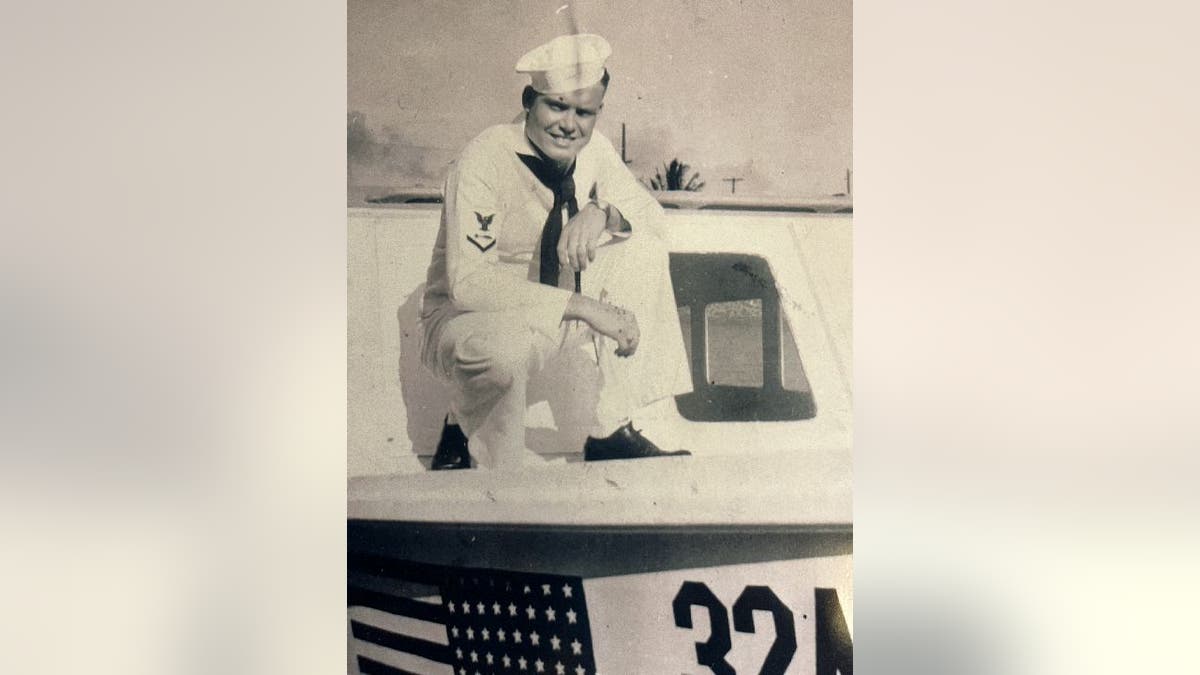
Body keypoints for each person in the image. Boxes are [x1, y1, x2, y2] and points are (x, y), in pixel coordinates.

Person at [419, 34, 693, 470]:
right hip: (466, 320)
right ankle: (466, 436)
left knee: (642, 248)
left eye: (584, 112)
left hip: (550, 311)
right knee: (502, 350)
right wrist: (583, 306)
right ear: (530, 100)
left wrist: (604, 212)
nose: (570, 124)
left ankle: (609, 432)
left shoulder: (594, 151)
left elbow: (653, 217)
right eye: (556, 106)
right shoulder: (484, 158)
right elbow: (468, 286)